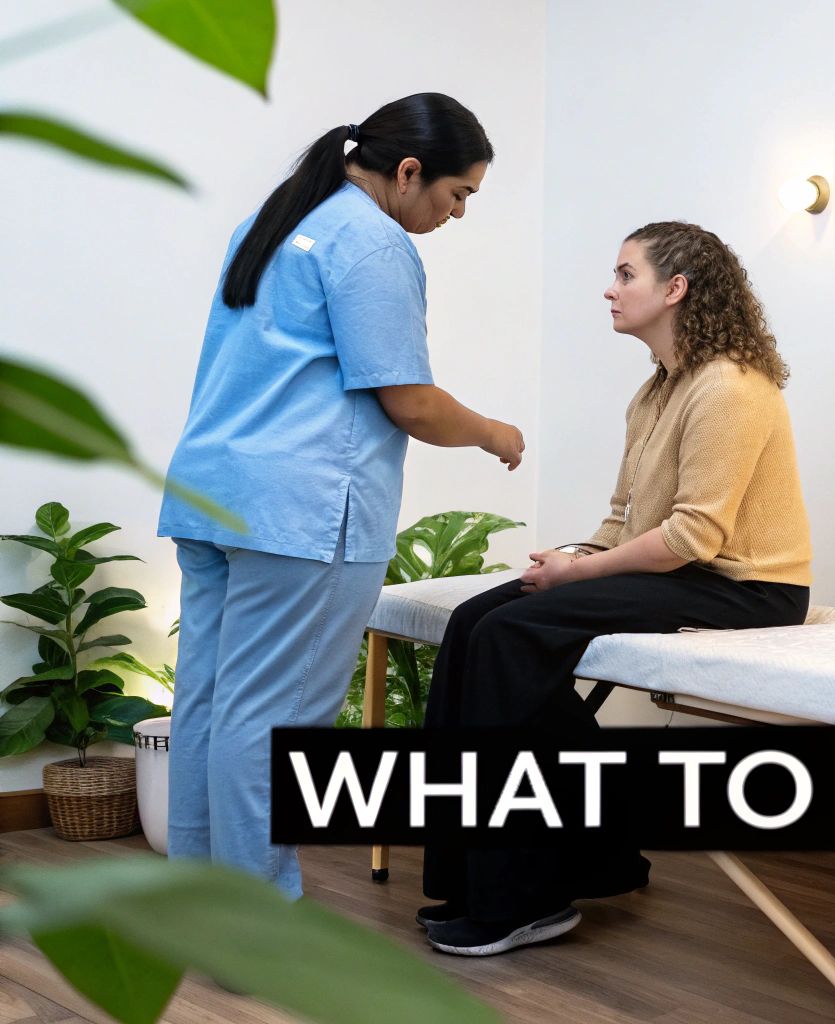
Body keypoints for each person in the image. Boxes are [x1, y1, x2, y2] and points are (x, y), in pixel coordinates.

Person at [157, 93, 526, 898]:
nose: (456, 214)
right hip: (301, 512)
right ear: (407, 172)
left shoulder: (276, 219)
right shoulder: (371, 242)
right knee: (272, 720)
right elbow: (410, 400)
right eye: (457, 195)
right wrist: (495, 432)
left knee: (212, 706)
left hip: (215, 492)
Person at [417, 221, 812, 957]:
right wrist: (566, 559)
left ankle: (527, 899)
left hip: (748, 588)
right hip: (686, 571)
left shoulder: (730, 386)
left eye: (625, 273)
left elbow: (695, 538)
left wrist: (583, 572)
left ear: (675, 289)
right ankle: (490, 876)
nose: (610, 287)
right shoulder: (656, 390)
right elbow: (622, 517)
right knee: (475, 621)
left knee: (511, 637)